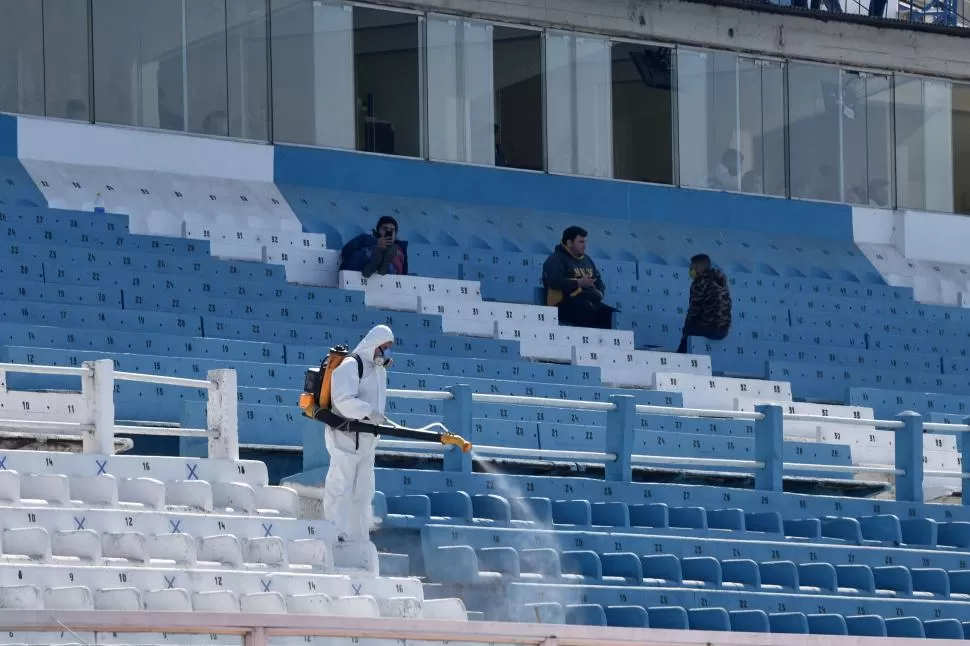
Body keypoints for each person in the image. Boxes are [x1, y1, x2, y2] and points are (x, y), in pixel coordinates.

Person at [323, 324, 394, 543]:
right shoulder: (351, 365)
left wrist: (376, 418)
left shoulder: (379, 369)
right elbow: (343, 401)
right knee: (340, 485)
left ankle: (357, 535)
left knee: (364, 490)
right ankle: (334, 532)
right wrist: (368, 413)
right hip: (346, 436)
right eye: (384, 347)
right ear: (374, 345)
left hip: (367, 440)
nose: (387, 353)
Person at [542, 226, 615, 330]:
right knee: (587, 311)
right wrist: (578, 283)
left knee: (612, 315)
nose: (585, 246)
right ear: (569, 243)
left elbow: (598, 280)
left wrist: (600, 293)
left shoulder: (587, 260)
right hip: (562, 305)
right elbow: (554, 281)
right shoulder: (555, 259)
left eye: (585, 242)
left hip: (588, 301)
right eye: (581, 242)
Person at [678, 254, 732, 353]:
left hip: (712, 328)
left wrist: (686, 329)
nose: (691, 271)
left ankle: (679, 359)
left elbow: (694, 310)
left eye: (692, 267)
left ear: (698, 268)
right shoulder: (719, 280)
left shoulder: (699, 282)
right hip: (724, 330)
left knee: (688, 333)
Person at [339, 216, 409, 278]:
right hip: (355, 270)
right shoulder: (365, 238)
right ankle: (375, 263)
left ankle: (382, 265)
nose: (388, 231)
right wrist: (375, 242)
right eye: (385, 229)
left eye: (391, 230)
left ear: (395, 233)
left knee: (395, 252)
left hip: (390, 276)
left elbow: (404, 272)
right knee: (372, 250)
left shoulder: (400, 247)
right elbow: (345, 251)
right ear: (378, 230)